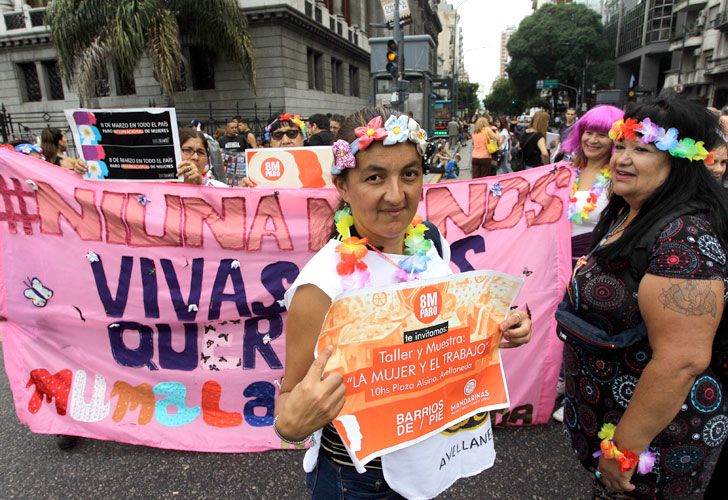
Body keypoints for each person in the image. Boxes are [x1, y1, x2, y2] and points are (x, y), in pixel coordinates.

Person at [275, 107, 532, 499]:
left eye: (409, 174)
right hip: (359, 479)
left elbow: (441, 336)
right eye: (375, 177)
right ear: (343, 186)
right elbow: (290, 407)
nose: (396, 195)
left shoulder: (427, 244)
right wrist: (290, 425)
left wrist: (499, 327)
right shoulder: (321, 286)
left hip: (425, 463)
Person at [559, 98, 728, 498]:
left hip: (660, 442)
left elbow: (681, 360)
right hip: (605, 419)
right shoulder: (628, 210)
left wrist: (624, 450)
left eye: (643, 150)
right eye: (622, 146)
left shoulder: (686, 238)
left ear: (680, 163)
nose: (622, 159)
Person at [550, 104, 624, 423]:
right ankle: (556, 380)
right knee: (554, 319)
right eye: (588, 132)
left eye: (603, 134)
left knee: (583, 327)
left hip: (594, 259)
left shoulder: (618, 178)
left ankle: (578, 393)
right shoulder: (566, 169)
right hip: (556, 253)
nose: (593, 139)